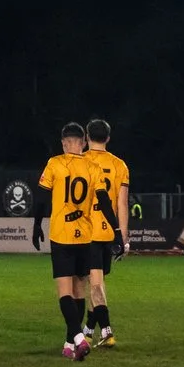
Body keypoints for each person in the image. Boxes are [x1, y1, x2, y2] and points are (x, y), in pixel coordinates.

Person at [35, 123, 96, 359]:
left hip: (61, 234)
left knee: (64, 290)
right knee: (79, 288)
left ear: (63, 143)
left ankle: (79, 338)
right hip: (85, 235)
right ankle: (70, 343)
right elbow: (101, 198)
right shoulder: (92, 166)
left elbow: (41, 197)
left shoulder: (55, 163)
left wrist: (37, 224)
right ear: (82, 143)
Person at [81, 118, 130, 349]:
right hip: (109, 231)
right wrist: (124, 237)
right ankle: (89, 330)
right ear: (108, 138)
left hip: (86, 231)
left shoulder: (80, 161)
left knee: (93, 284)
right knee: (97, 282)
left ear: (87, 138)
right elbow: (122, 204)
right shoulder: (120, 165)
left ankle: (107, 331)